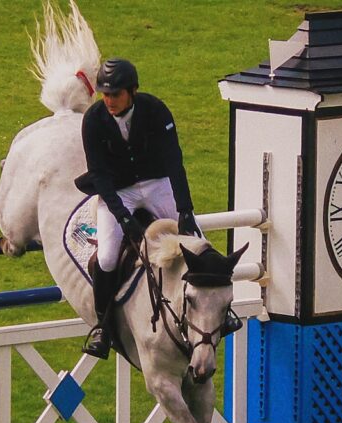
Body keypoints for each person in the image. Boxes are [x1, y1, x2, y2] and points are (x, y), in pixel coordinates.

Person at [75, 58, 238, 359]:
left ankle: (224, 314)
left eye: (116, 94)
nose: (109, 100)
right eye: (105, 94)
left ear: (132, 91)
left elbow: (174, 160)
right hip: (118, 189)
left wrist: (185, 209)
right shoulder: (94, 120)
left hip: (156, 182)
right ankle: (102, 325)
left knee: (198, 242)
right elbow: (99, 175)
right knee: (109, 256)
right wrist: (122, 216)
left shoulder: (155, 110)